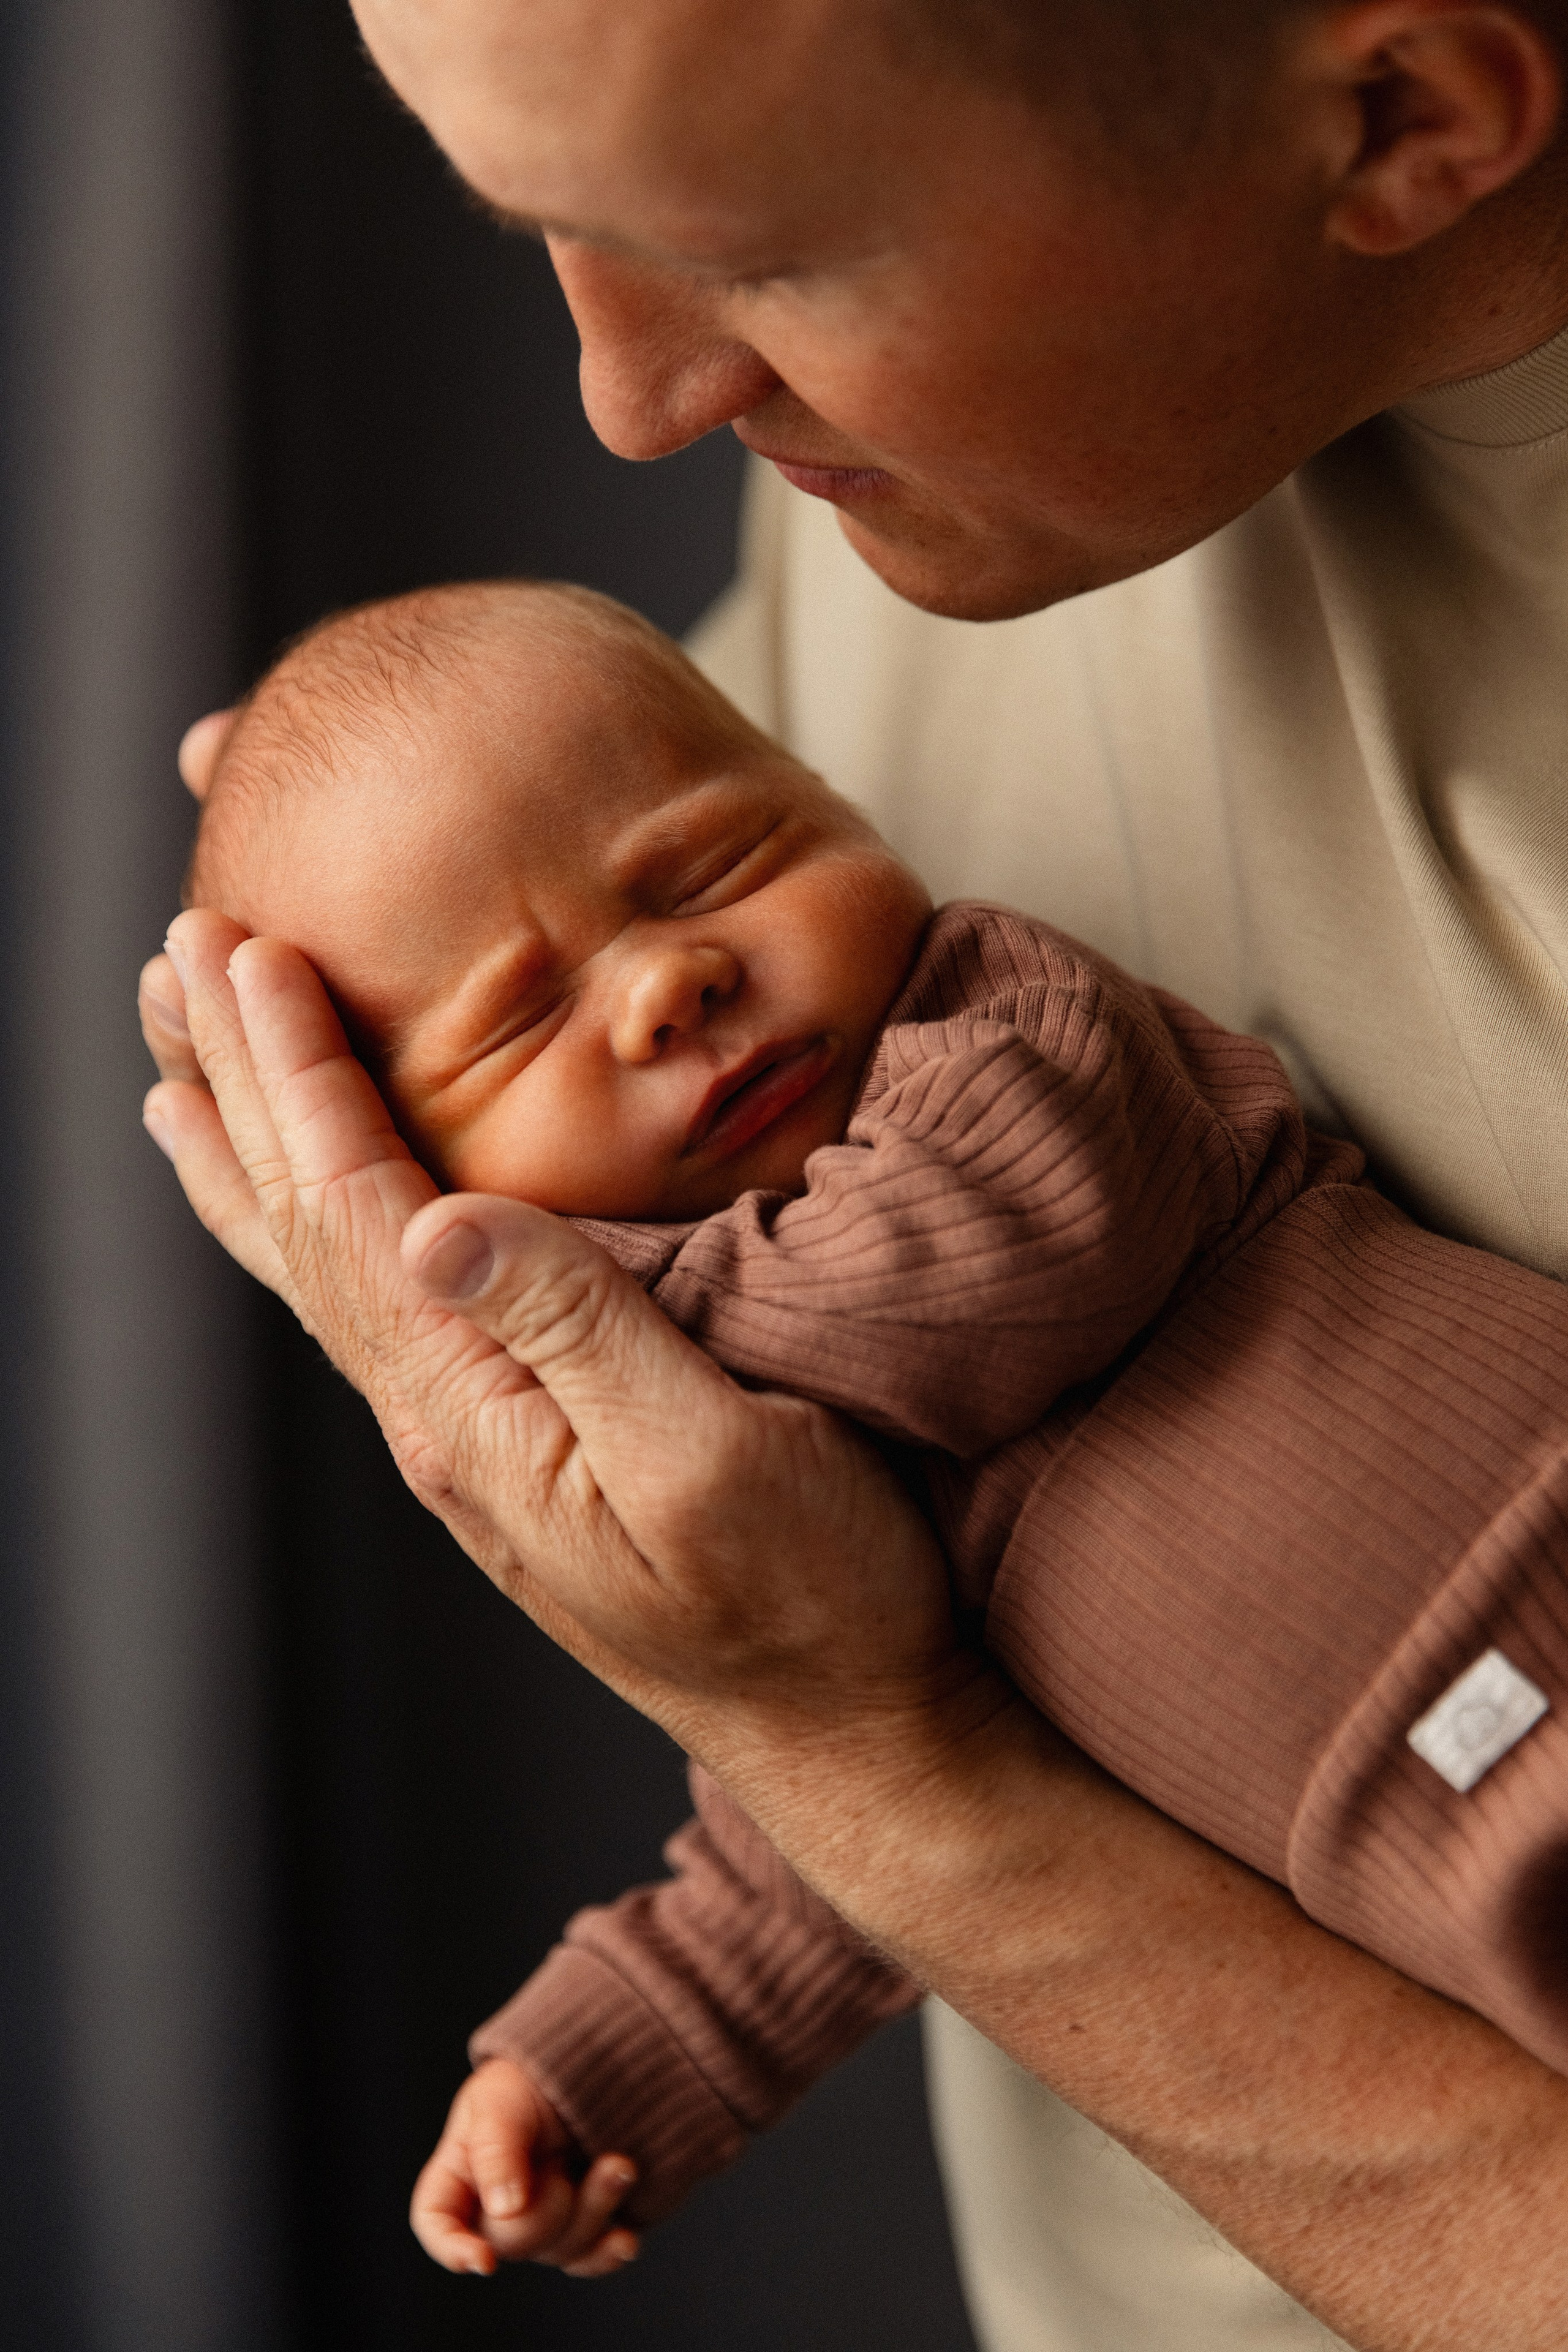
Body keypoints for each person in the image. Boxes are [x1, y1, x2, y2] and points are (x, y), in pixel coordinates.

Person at [138, 2, 1568, 2345]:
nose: (628, 396)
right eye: (545, 225)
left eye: (752, 253)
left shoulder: (983, 1045)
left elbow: (971, 1333)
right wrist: (612, 2056)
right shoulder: (926, 469)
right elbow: (802, 1845)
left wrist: (812, 1678)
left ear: (1402, 118)